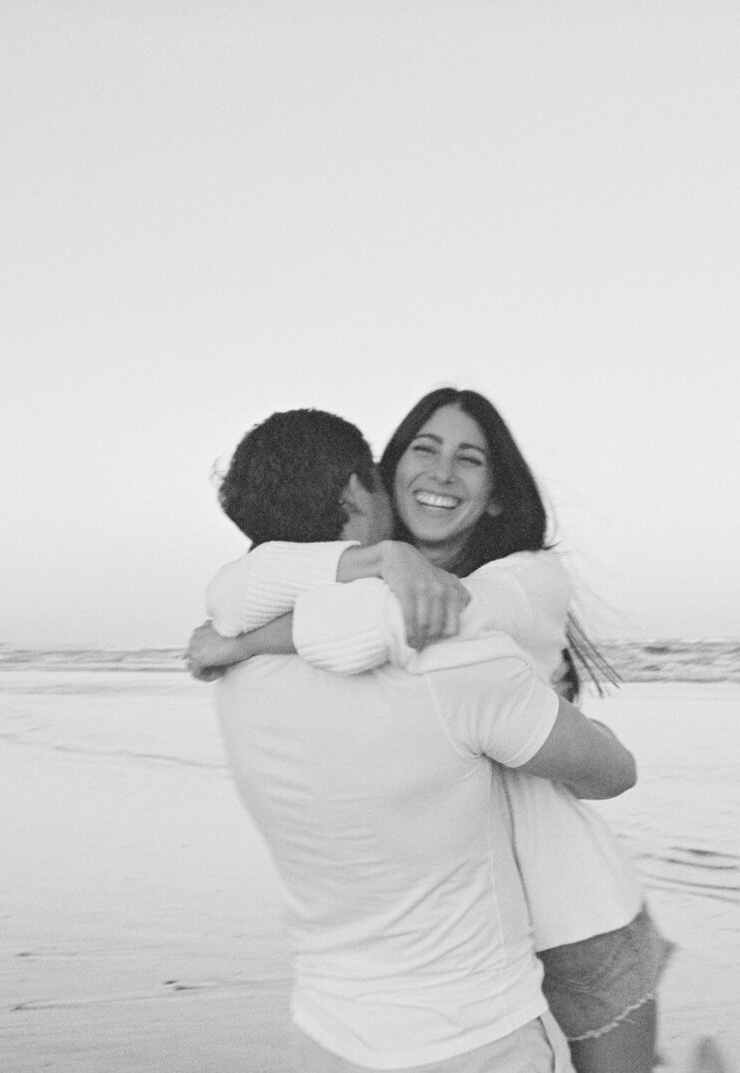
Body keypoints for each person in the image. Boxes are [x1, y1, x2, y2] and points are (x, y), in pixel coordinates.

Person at [188, 389, 671, 1073]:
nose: (443, 472)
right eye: (424, 448)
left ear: (498, 496)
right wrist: (377, 562)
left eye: (469, 459)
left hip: (572, 916)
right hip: (475, 944)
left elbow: (418, 622)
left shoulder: (522, 581)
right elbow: (237, 583)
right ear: (376, 480)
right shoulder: (367, 578)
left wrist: (243, 642)